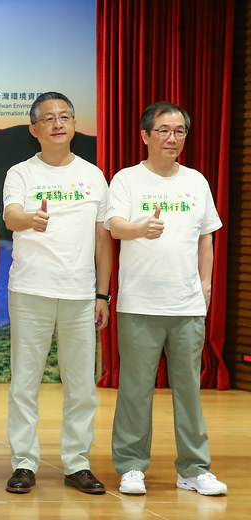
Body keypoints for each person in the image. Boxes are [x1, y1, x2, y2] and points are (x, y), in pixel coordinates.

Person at [107, 102, 227, 496]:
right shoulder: (126, 179)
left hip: (187, 305)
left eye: (179, 131)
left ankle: (194, 469)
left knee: (189, 391)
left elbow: (206, 238)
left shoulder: (196, 181)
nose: (171, 138)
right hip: (139, 303)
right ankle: (131, 466)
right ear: (145, 135)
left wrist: (205, 287)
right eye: (163, 130)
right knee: (135, 390)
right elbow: (115, 227)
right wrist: (140, 228)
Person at [2, 92, 111, 495]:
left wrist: (102, 295)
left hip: (80, 295)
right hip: (30, 290)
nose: (58, 123)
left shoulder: (93, 175)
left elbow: (103, 240)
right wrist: (31, 219)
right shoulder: (21, 173)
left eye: (64, 116)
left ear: (74, 125)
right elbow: (10, 216)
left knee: (81, 385)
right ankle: (24, 463)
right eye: (48, 118)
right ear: (34, 129)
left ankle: (77, 463)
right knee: (24, 383)